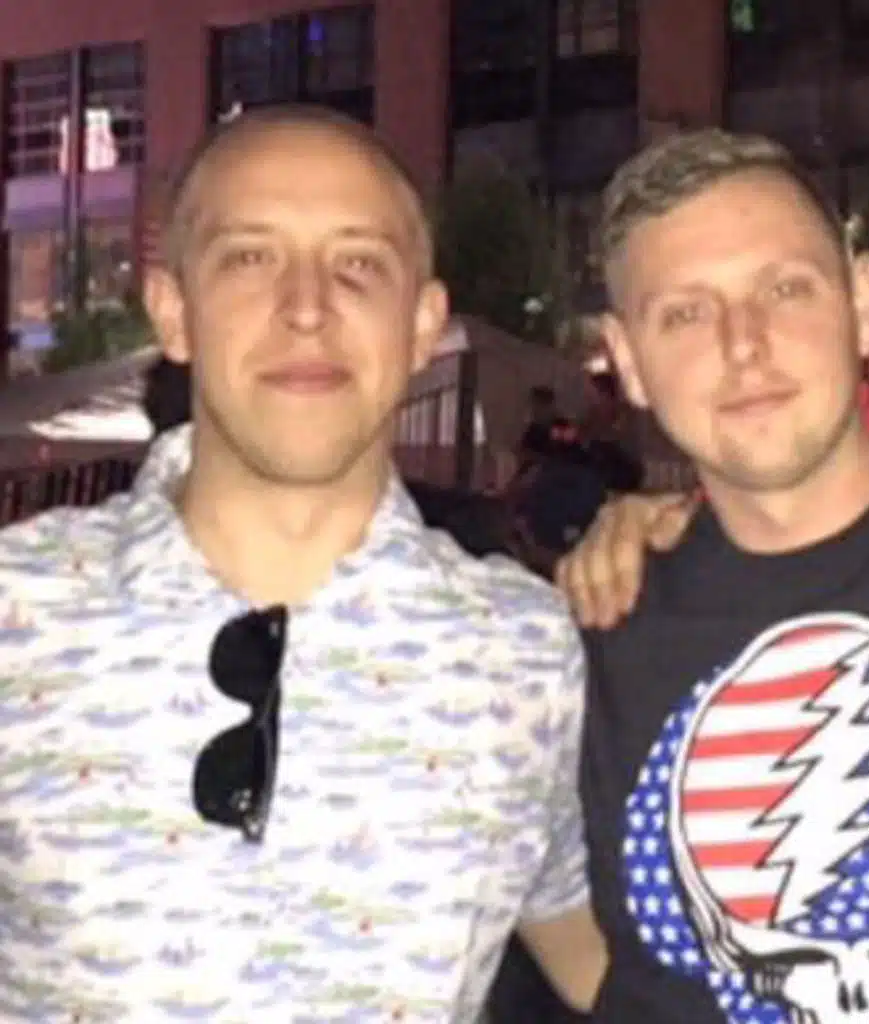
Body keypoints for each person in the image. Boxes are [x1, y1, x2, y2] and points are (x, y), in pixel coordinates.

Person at [0, 104, 606, 1021]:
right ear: (174, 311)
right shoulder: (18, 612)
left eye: (358, 264)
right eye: (250, 258)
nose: (308, 307)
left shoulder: (530, 650)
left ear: (422, 325)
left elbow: (616, 963)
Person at [552, 127, 869, 1023]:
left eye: (785, 288)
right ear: (627, 359)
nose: (746, 344)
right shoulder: (577, 650)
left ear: (865, 303)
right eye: (686, 313)